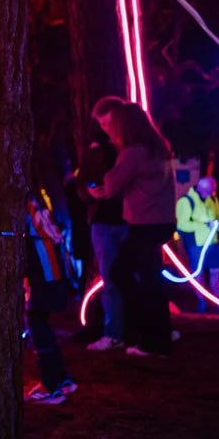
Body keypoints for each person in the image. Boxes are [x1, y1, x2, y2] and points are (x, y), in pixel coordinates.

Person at [89, 103, 176, 356]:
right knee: (143, 278)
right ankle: (156, 331)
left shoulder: (133, 152)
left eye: (113, 125)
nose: (110, 130)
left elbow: (113, 183)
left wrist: (110, 160)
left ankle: (154, 339)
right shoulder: (157, 148)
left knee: (134, 278)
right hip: (160, 220)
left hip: (144, 222)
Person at [77, 97, 129, 350]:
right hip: (104, 220)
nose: (106, 126)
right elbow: (82, 181)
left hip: (129, 218)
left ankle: (132, 331)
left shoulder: (128, 148)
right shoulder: (95, 151)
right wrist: (90, 193)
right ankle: (114, 332)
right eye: (103, 123)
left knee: (132, 277)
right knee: (110, 279)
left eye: (108, 121)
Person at [23, 195, 77, 403]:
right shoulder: (34, 199)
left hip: (44, 272)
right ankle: (62, 379)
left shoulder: (18, 202)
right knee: (40, 322)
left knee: (36, 323)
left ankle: (51, 385)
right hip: (54, 268)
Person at [175, 175, 219, 311]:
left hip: (213, 242)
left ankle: (217, 302)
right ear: (201, 187)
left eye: (213, 189)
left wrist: (218, 223)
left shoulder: (213, 199)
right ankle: (202, 301)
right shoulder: (186, 201)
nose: (211, 192)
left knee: (216, 272)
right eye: (209, 189)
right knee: (199, 273)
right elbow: (182, 224)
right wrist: (204, 225)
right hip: (196, 244)